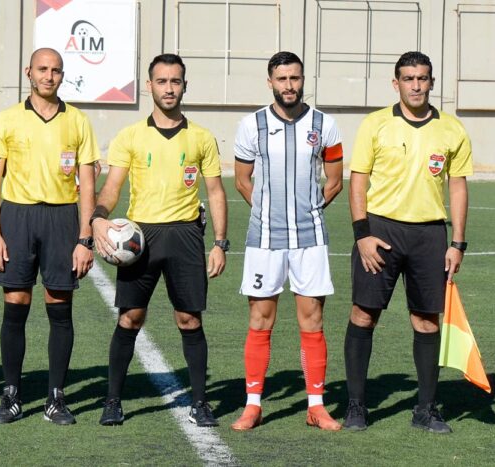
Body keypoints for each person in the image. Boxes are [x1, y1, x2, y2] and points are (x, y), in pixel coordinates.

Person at [92, 53, 228, 427]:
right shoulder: (130, 136)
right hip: (141, 238)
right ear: (149, 86)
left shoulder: (201, 137)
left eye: (175, 81)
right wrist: (98, 217)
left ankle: (200, 403)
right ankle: (113, 400)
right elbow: (112, 187)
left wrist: (220, 243)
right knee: (130, 317)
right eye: (162, 81)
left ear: (185, 86)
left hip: (185, 235)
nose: (169, 88)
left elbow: (215, 191)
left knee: (189, 319)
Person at [343, 51, 472, 434]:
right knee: (364, 314)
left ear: (431, 82)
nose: (416, 85)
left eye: (422, 78)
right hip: (380, 231)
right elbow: (358, 181)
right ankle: (356, 406)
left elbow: (458, 186)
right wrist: (362, 235)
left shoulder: (452, 129)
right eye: (409, 78)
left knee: (427, 320)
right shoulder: (375, 124)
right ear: (395, 83)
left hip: (429, 235)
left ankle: (426, 409)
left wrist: (457, 242)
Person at [0, 48, 100, 425]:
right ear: (28, 72)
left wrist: (84, 239)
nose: (49, 76)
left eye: (56, 71)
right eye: (42, 69)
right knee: (16, 302)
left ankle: (56, 398)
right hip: (17, 216)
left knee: (59, 303)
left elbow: (87, 185)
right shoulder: (8, 118)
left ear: (62, 76)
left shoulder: (78, 121)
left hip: (62, 218)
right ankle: (11, 395)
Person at [230, 51, 343, 432]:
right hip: (264, 240)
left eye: (295, 78)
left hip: (310, 239)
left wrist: (308, 212)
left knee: (312, 320)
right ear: (270, 82)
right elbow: (242, 181)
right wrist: (267, 213)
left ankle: (316, 406)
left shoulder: (325, 125)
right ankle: (253, 406)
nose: (289, 85)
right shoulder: (252, 125)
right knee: (260, 319)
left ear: (303, 80)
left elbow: (335, 182)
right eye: (282, 79)